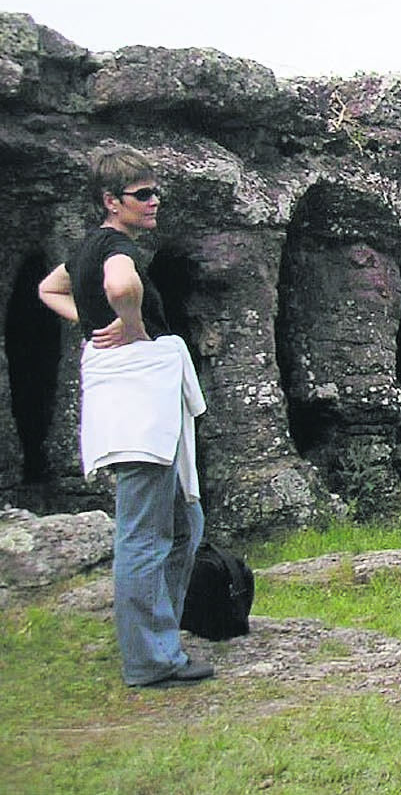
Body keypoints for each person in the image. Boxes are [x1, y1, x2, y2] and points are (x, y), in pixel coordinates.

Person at [37, 145, 214, 688]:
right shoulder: (115, 250)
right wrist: (130, 324)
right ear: (111, 201)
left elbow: (50, 289)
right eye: (142, 194)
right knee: (145, 534)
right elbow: (121, 285)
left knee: (185, 522)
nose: (154, 201)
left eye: (156, 191)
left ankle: (162, 636)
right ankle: (152, 660)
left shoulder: (87, 248)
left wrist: (91, 323)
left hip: (131, 400)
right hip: (141, 406)